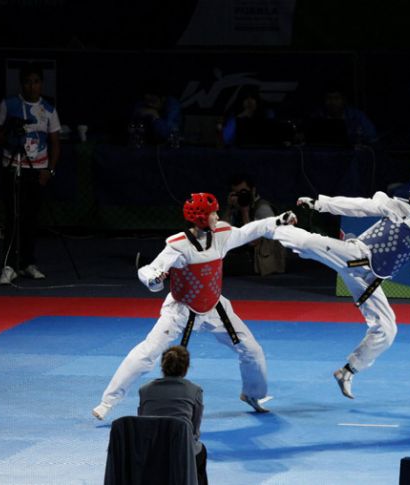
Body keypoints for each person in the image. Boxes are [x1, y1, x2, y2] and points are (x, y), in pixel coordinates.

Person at [92, 193, 297, 420]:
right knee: (147, 353)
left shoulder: (221, 234)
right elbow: (149, 269)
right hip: (181, 311)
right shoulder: (178, 245)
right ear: (199, 218)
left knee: (252, 350)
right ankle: (108, 402)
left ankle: (253, 394)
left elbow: (251, 230)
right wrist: (153, 279)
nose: (217, 216)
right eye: (213, 214)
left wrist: (278, 220)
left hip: (216, 308)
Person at [270, 171, 410, 399]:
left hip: (370, 280)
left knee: (387, 329)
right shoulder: (395, 207)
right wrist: (322, 204)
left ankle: (347, 371)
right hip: (357, 256)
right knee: (312, 243)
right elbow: (359, 206)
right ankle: (274, 229)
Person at [0, 63, 61, 285]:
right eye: (28, 81)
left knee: (31, 218)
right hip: (13, 166)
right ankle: (9, 265)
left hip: (37, 169)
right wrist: (8, 138)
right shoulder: (9, 104)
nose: (32, 86)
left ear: (41, 84)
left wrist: (49, 170)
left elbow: (55, 143)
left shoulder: (49, 109)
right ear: (22, 84)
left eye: (36, 81)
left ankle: (28, 263)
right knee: (13, 217)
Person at [138, 345, 208, 485]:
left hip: (150, 452)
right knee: (201, 450)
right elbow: (194, 430)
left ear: (162, 365)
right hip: (183, 451)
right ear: (186, 367)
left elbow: (141, 423)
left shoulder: (144, 390)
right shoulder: (195, 391)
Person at [222, 174, 286, 276]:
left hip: (261, 260)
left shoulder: (262, 208)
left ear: (253, 191)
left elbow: (253, 242)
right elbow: (221, 235)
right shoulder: (236, 206)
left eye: (243, 192)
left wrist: (245, 213)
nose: (240, 196)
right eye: (236, 193)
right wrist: (229, 209)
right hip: (244, 257)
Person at [309, 84, 378, 145]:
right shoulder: (317, 116)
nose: (332, 102)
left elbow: (373, 137)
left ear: (344, 100)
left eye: (336, 98)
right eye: (329, 98)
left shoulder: (357, 116)